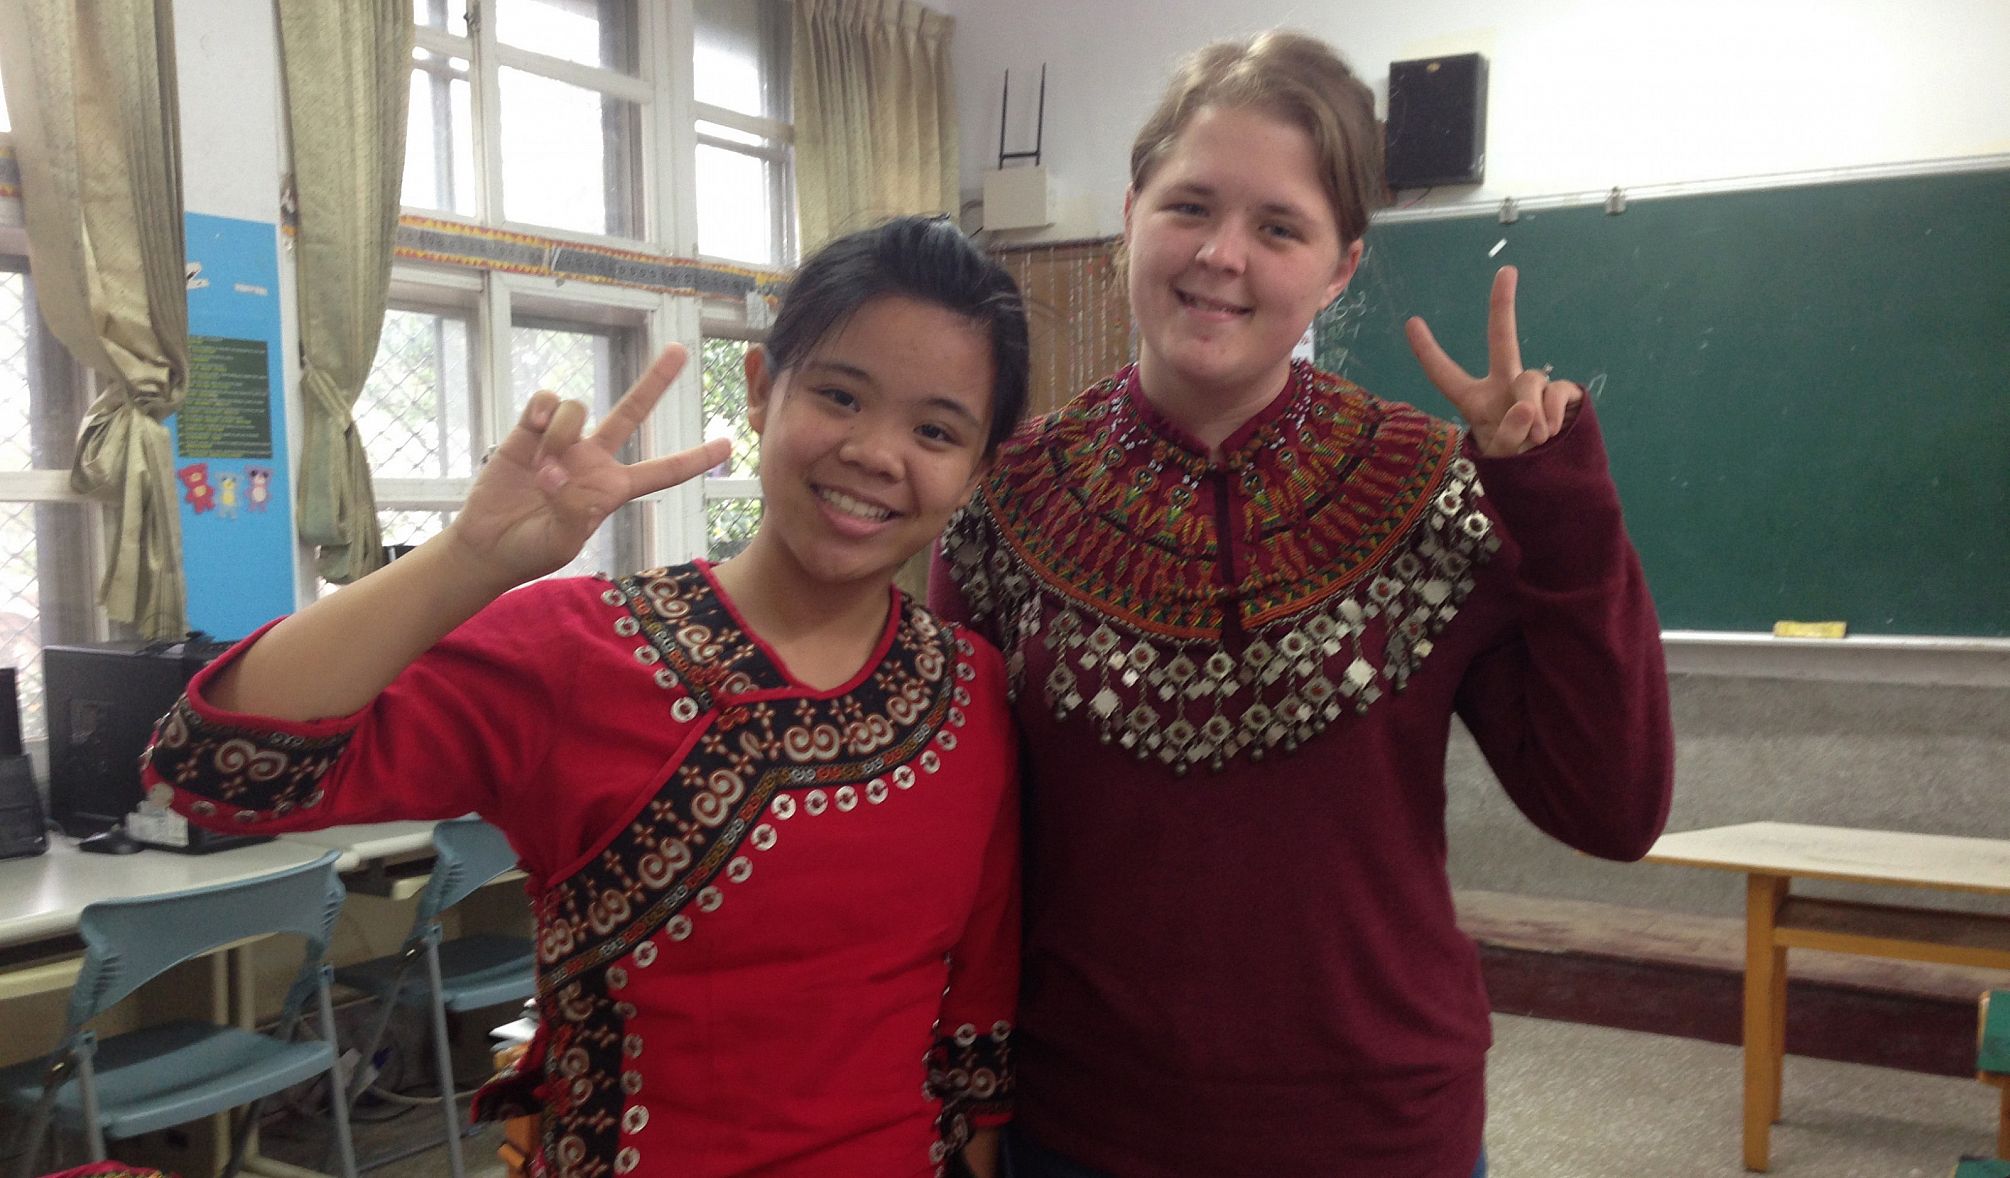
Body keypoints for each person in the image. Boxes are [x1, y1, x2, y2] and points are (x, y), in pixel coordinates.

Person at [143, 215, 1032, 1178]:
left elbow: (977, 1004)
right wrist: (467, 562)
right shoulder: (582, 651)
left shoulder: (969, 689)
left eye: (935, 430)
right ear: (764, 391)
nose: (875, 452)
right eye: (840, 395)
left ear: (979, 468)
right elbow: (215, 768)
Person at [929, 31, 1673, 1178]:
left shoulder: (1436, 490)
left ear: (1339, 268)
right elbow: (962, 847)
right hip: (1084, 1130)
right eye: (1189, 206)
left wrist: (1558, 501)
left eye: (1278, 226)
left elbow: (1612, 808)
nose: (1221, 255)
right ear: (1130, 212)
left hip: (1379, 1132)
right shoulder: (1010, 502)